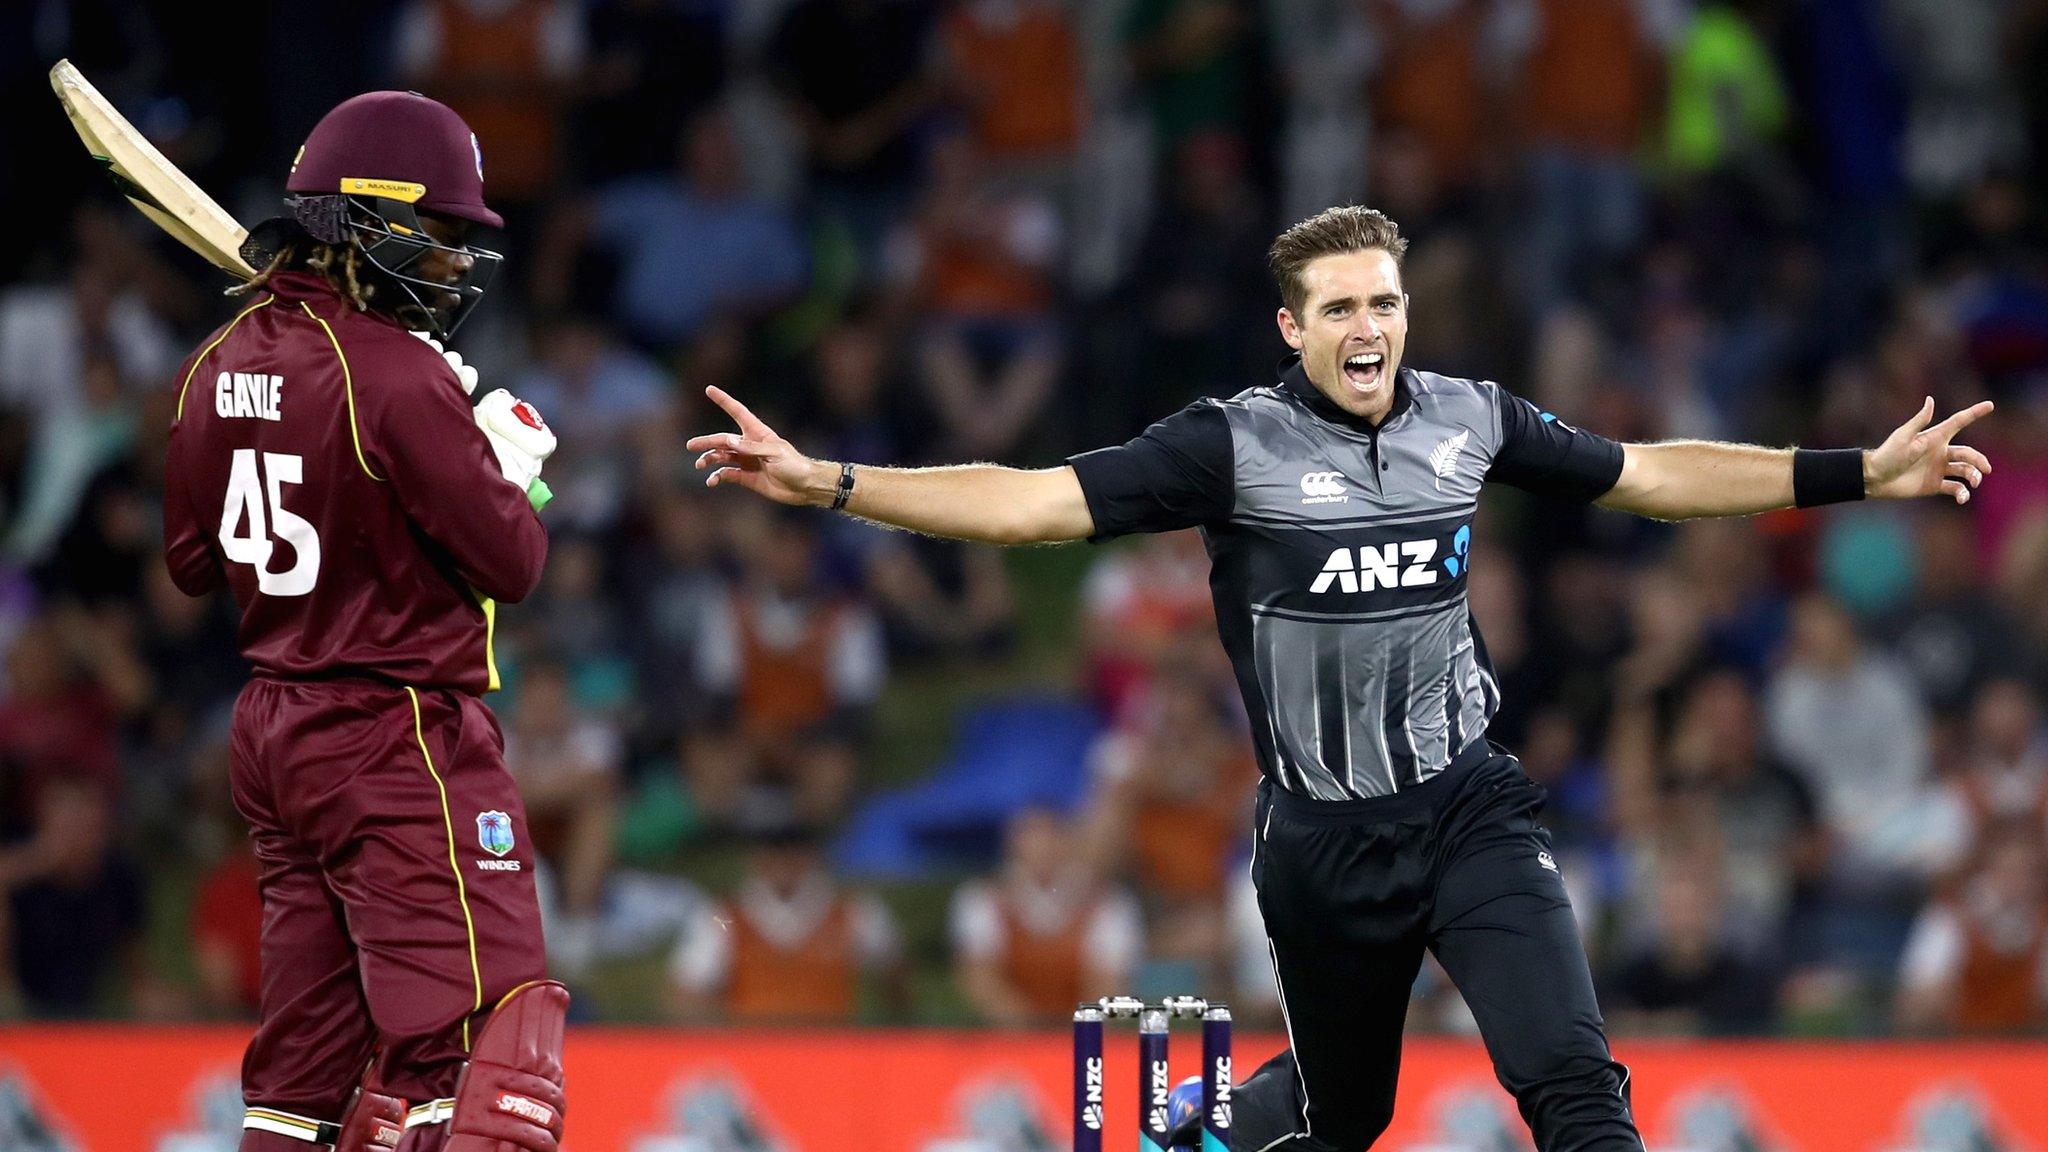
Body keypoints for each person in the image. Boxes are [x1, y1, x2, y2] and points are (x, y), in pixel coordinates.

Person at [687, 205, 1995, 1152]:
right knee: (1340, 1113)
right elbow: (1029, 504)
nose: (1369, 329)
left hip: (1471, 804)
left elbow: (1650, 473)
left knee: (1575, 1087)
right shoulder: (1229, 446)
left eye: (1385, 303)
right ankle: (1178, 1136)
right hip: (1322, 839)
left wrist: (1857, 473)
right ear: (1293, 328)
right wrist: (835, 484)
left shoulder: (1469, 417)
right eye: (1343, 309)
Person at [162, 91, 567, 1152]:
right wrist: (504, 470)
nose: (449, 264)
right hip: (398, 734)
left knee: (305, 1083)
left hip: (274, 730)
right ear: (360, 220)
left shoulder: (217, 365)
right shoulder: (397, 375)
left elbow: (193, 561)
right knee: (482, 1053)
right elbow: (512, 563)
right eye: (433, 235)